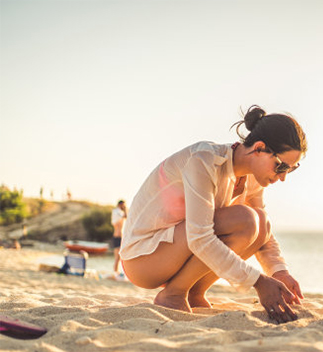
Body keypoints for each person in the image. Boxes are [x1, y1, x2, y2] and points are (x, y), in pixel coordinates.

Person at [120, 105, 307, 323]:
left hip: (176, 251)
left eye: (291, 169)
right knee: (245, 220)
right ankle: (173, 293)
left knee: (261, 223)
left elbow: (264, 233)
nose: (283, 177)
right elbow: (200, 237)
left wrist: (278, 271)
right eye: (281, 167)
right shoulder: (204, 160)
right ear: (259, 148)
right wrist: (259, 282)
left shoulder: (254, 177)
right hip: (143, 259)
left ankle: (193, 292)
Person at [111, 200, 127, 275]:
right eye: (123, 205)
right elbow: (116, 222)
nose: (124, 206)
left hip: (121, 237)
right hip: (117, 237)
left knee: (120, 257)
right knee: (117, 257)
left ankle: (117, 271)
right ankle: (115, 272)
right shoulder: (117, 213)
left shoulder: (121, 213)